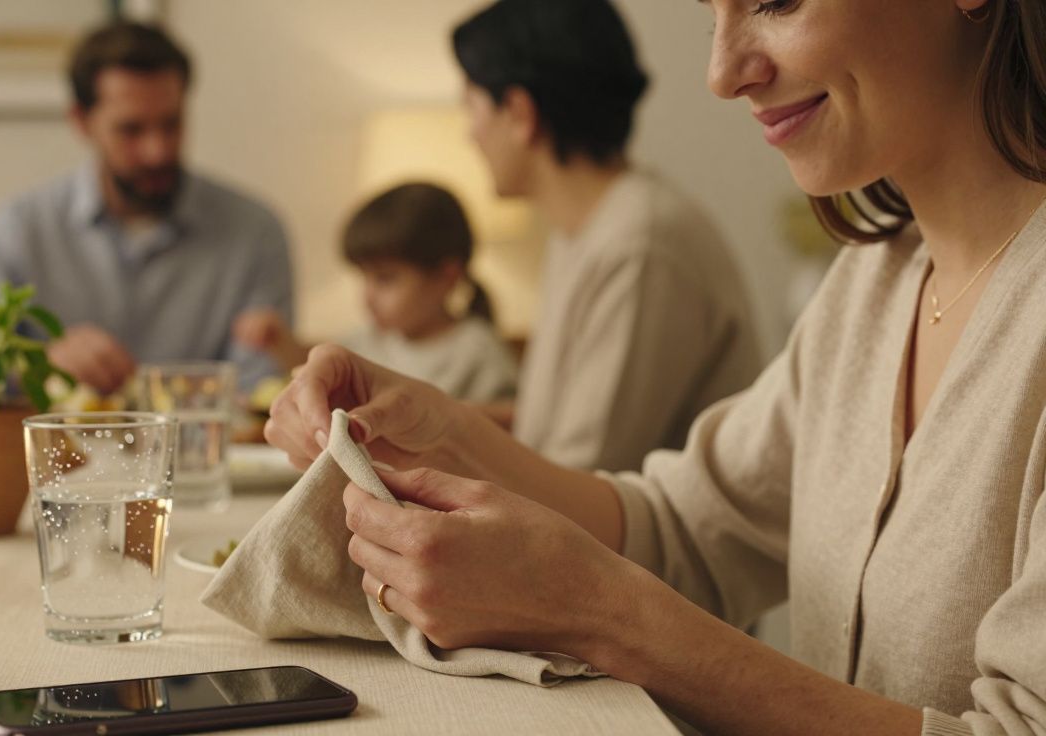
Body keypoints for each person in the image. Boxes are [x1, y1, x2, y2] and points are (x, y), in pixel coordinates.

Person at [264, 0, 1046, 733]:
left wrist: (601, 616)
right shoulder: (875, 282)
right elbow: (683, 527)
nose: (722, 73)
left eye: (774, 1)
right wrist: (442, 430)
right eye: (712, 13)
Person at [453, 0, 762, 473]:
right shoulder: (586, 229)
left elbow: (583, 475)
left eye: (470, 107)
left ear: (519, 113)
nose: (468, 135)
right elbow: (555, 432)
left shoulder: (639, 245)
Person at [0, 21, 293, 394]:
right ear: (82, 122)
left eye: (172, 124)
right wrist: (44, 363)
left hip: (206, 451)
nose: (158, 150)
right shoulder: (19, 230)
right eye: (131, 130)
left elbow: (258, 391)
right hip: (57, 452)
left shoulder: (254, 232)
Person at [234, 182, 518, 404]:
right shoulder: (371, 340)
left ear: (446, 276)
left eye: (385, 279)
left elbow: (508, 428)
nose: (368, 296)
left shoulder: (477, 352)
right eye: (364, 278)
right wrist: (280, 342)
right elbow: (317, 365)